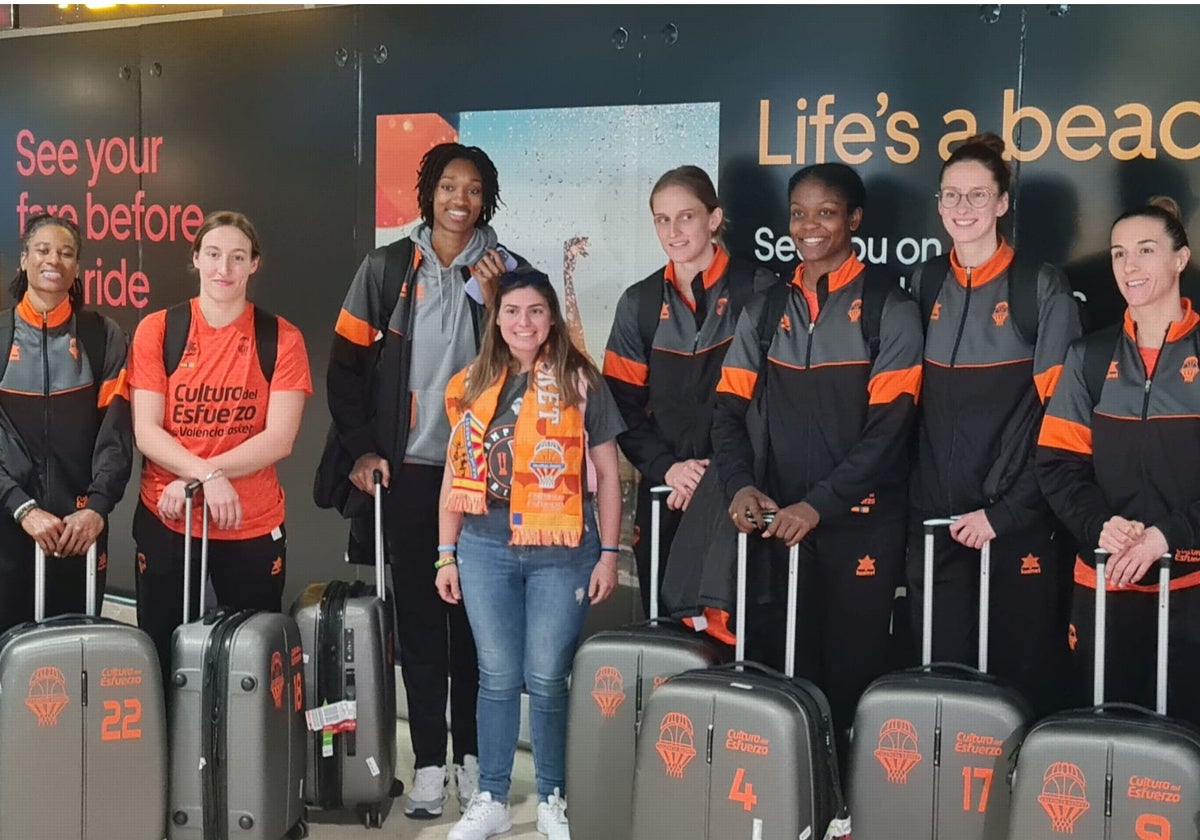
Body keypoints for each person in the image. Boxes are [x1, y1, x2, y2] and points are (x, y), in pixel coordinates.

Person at [326, 142, 519, 818]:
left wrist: (498, 303)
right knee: (418, 628)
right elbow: (345, 370)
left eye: (472, 188)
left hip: (483, 480)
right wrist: (360, 449)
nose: (458, 199)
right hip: (406, 475)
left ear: (486, 198)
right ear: (428, 193)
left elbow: (534, 374)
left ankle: (474, 762)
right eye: (446, 186)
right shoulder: (386, 268)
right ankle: (430, 765)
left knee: (475, 628)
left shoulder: (510, 270)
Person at [711, 163, 923, 742]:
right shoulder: (767, 307)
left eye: (826, 213)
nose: (808, 226)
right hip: (777, 526)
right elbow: (727, 412)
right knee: (778, 684)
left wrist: (819, 505)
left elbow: (889, 432)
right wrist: (738, 485)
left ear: (854, 219)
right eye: (799, 213)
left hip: (860, 528)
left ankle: (847, 816)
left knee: (850, 682)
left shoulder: (889, 307)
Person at [436, 266, 624, 840]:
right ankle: (491, 796)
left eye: (535, 311)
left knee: (545, 677)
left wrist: (610, 552)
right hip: (485, 545)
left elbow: (609, 476)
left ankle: (552, 797)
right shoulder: (471, 382)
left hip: (562, 550)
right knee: (495, 676)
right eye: (512, 311)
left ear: (551, 318)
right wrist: (445, 552)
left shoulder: (580, 380)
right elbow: (454, 472)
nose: (524, 322)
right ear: (497, 318)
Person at [907, 133, 1082, 716]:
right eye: (952, 195)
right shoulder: (926, 283)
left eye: (978, 195)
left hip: (1015, 525)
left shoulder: (1040, 288)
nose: (963, 208)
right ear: (937, 205)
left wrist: (1005, 514)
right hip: (937, 523)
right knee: (942, 690)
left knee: (1015, 692)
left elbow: (1062, 429)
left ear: (1003, 203)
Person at [128, 210, 311, 682]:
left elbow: (280, 438)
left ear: (255, 265)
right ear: (196, 259)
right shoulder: (158, 330)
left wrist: (198, 476)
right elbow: (146, 431)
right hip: (168, 518)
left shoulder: (281, 338)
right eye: (213, 255)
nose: (223, 269)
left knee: (249, 662)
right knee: (162, 654)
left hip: (249, 521)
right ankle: (168, 753)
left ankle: (242, 754)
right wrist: (208, 477)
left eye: (236, 257)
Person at [1038, 196, 1200, 724]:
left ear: (1181, 258)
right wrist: (1100, 525)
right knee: (1103, 739)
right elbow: (1058, 466)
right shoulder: (1089, 356)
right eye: (1117, 254)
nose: (1129, 267)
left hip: (1190, 587)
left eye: (1146, 250)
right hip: (1106, 584)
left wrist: (1167, 535)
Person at [602, 165, 776, 622]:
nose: (674, 230)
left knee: (734, 632)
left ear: (714, 219)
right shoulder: (637, 303)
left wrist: (720, 474)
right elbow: (619, 406)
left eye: (687, 217)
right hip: (666, 493)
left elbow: (772, 405)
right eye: (662, 219)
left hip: (737, 494)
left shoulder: (760, 291)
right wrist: (670, 469)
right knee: (664, 633)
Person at [0, 213, 132, 632]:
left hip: (81, 531)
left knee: (76, 658)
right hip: (9, 523)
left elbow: (117, 435)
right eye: (42, 250)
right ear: (23, 260)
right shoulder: (1, 334)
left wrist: (96, 509)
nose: (53, 259)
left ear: (77, 268)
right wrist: (21, 507)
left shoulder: (101, 335)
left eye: (66, 252)